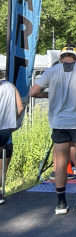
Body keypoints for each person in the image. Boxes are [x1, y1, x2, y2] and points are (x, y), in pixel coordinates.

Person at [29, 44, 76, 214]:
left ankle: (61, 203)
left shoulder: (50, 71)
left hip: (59, 122)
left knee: (60, 163)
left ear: (60, 57)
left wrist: (50, 94)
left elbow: (33, 92)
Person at [0, 69, 24, 205]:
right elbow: (20, 108)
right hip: (6, 131)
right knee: (2, 167)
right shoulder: (11, 86)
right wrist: (12, 121)